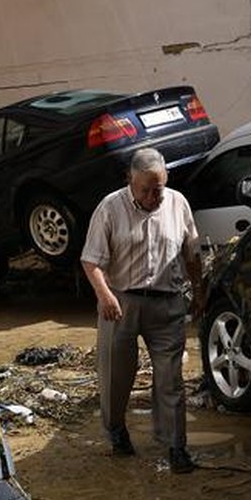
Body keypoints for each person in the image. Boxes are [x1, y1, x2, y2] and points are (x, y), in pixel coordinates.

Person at [80, 147, 205, 473]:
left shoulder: (178, 203)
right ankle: (116, 430)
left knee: (170, 379)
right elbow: (91, 260)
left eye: (158, 188)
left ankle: (176, 446)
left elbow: (192, 253)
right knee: (116, 375)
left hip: (167, 302)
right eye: (146, 190)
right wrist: (105, 295)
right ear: (130, 182)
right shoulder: (110, 207)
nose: (153, 196)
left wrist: (200, 292)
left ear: (166, 180)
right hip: (120, 302)